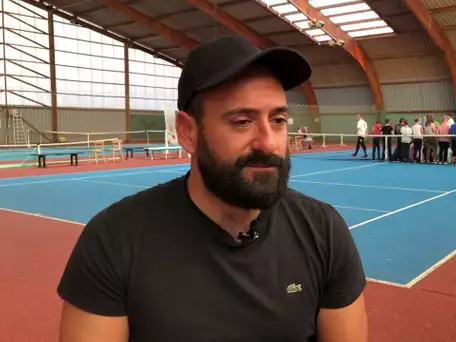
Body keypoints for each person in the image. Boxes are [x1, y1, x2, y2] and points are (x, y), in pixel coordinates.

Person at [56, 35, 368, 342]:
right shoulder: (114, 242)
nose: (268, 143)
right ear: (188, 132)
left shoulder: (324, 232)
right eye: (242, 121)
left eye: (278, 119)